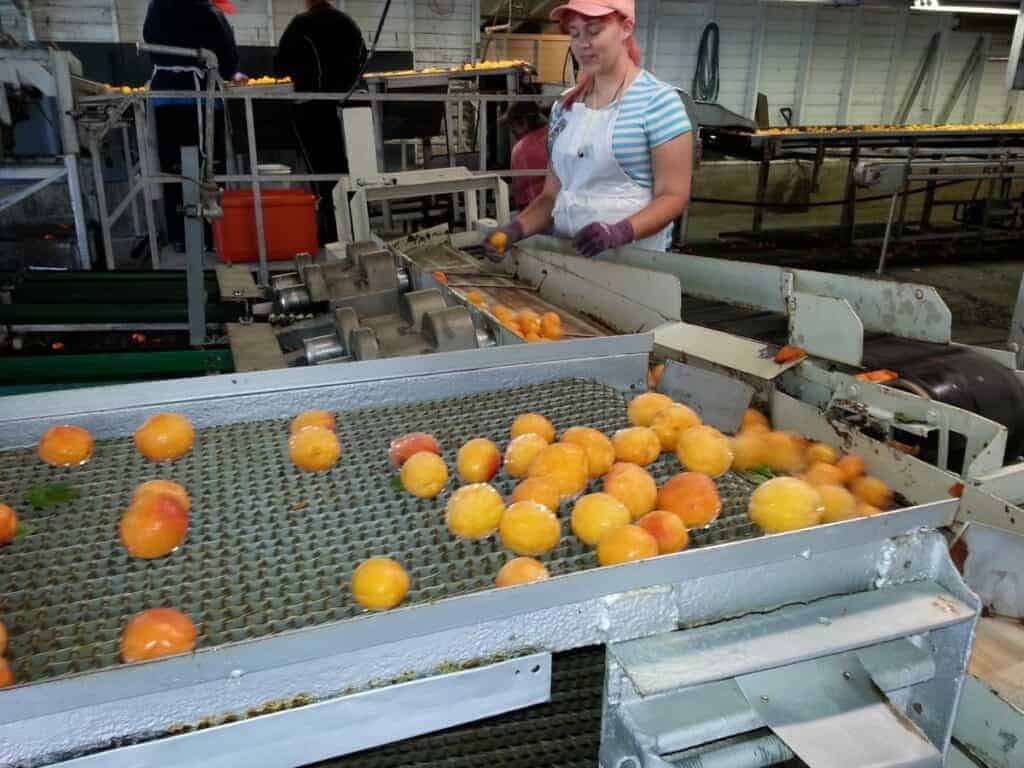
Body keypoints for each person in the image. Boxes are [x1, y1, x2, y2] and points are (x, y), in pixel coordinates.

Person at [486, 0, 692, 259]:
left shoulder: (659, 103)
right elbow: (551, 197)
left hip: (635, 268)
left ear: (626, 28)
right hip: (568, 261)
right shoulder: (565, 107)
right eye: (575, 33)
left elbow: (673, 195)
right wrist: (514, 230)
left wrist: (619, 232)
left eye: (594, 31)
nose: (583, 43)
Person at [143, 0, 244, 251]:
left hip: (165, 95)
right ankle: (212, 237)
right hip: (199, 100)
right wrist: (232, 72)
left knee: (173, 170)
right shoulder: (205, 11)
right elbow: (226, 56)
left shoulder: (156, 7)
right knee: (209, 167)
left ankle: (181, 237)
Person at [275, 0, 368, 244]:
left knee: (323, 175)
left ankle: (332, 235)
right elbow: (364, 58)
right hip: (349, 107)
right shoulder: (348, 23)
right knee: (352, 171)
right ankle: (357, 231)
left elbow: (279, 65)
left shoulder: (301, 24)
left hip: (313, 108)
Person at [499, 100, 550, 209]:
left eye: (512, 125)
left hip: (538, 214)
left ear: (524, 123)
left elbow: (521, 202)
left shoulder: (520, 150)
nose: (511, 130)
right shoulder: (559, 136)